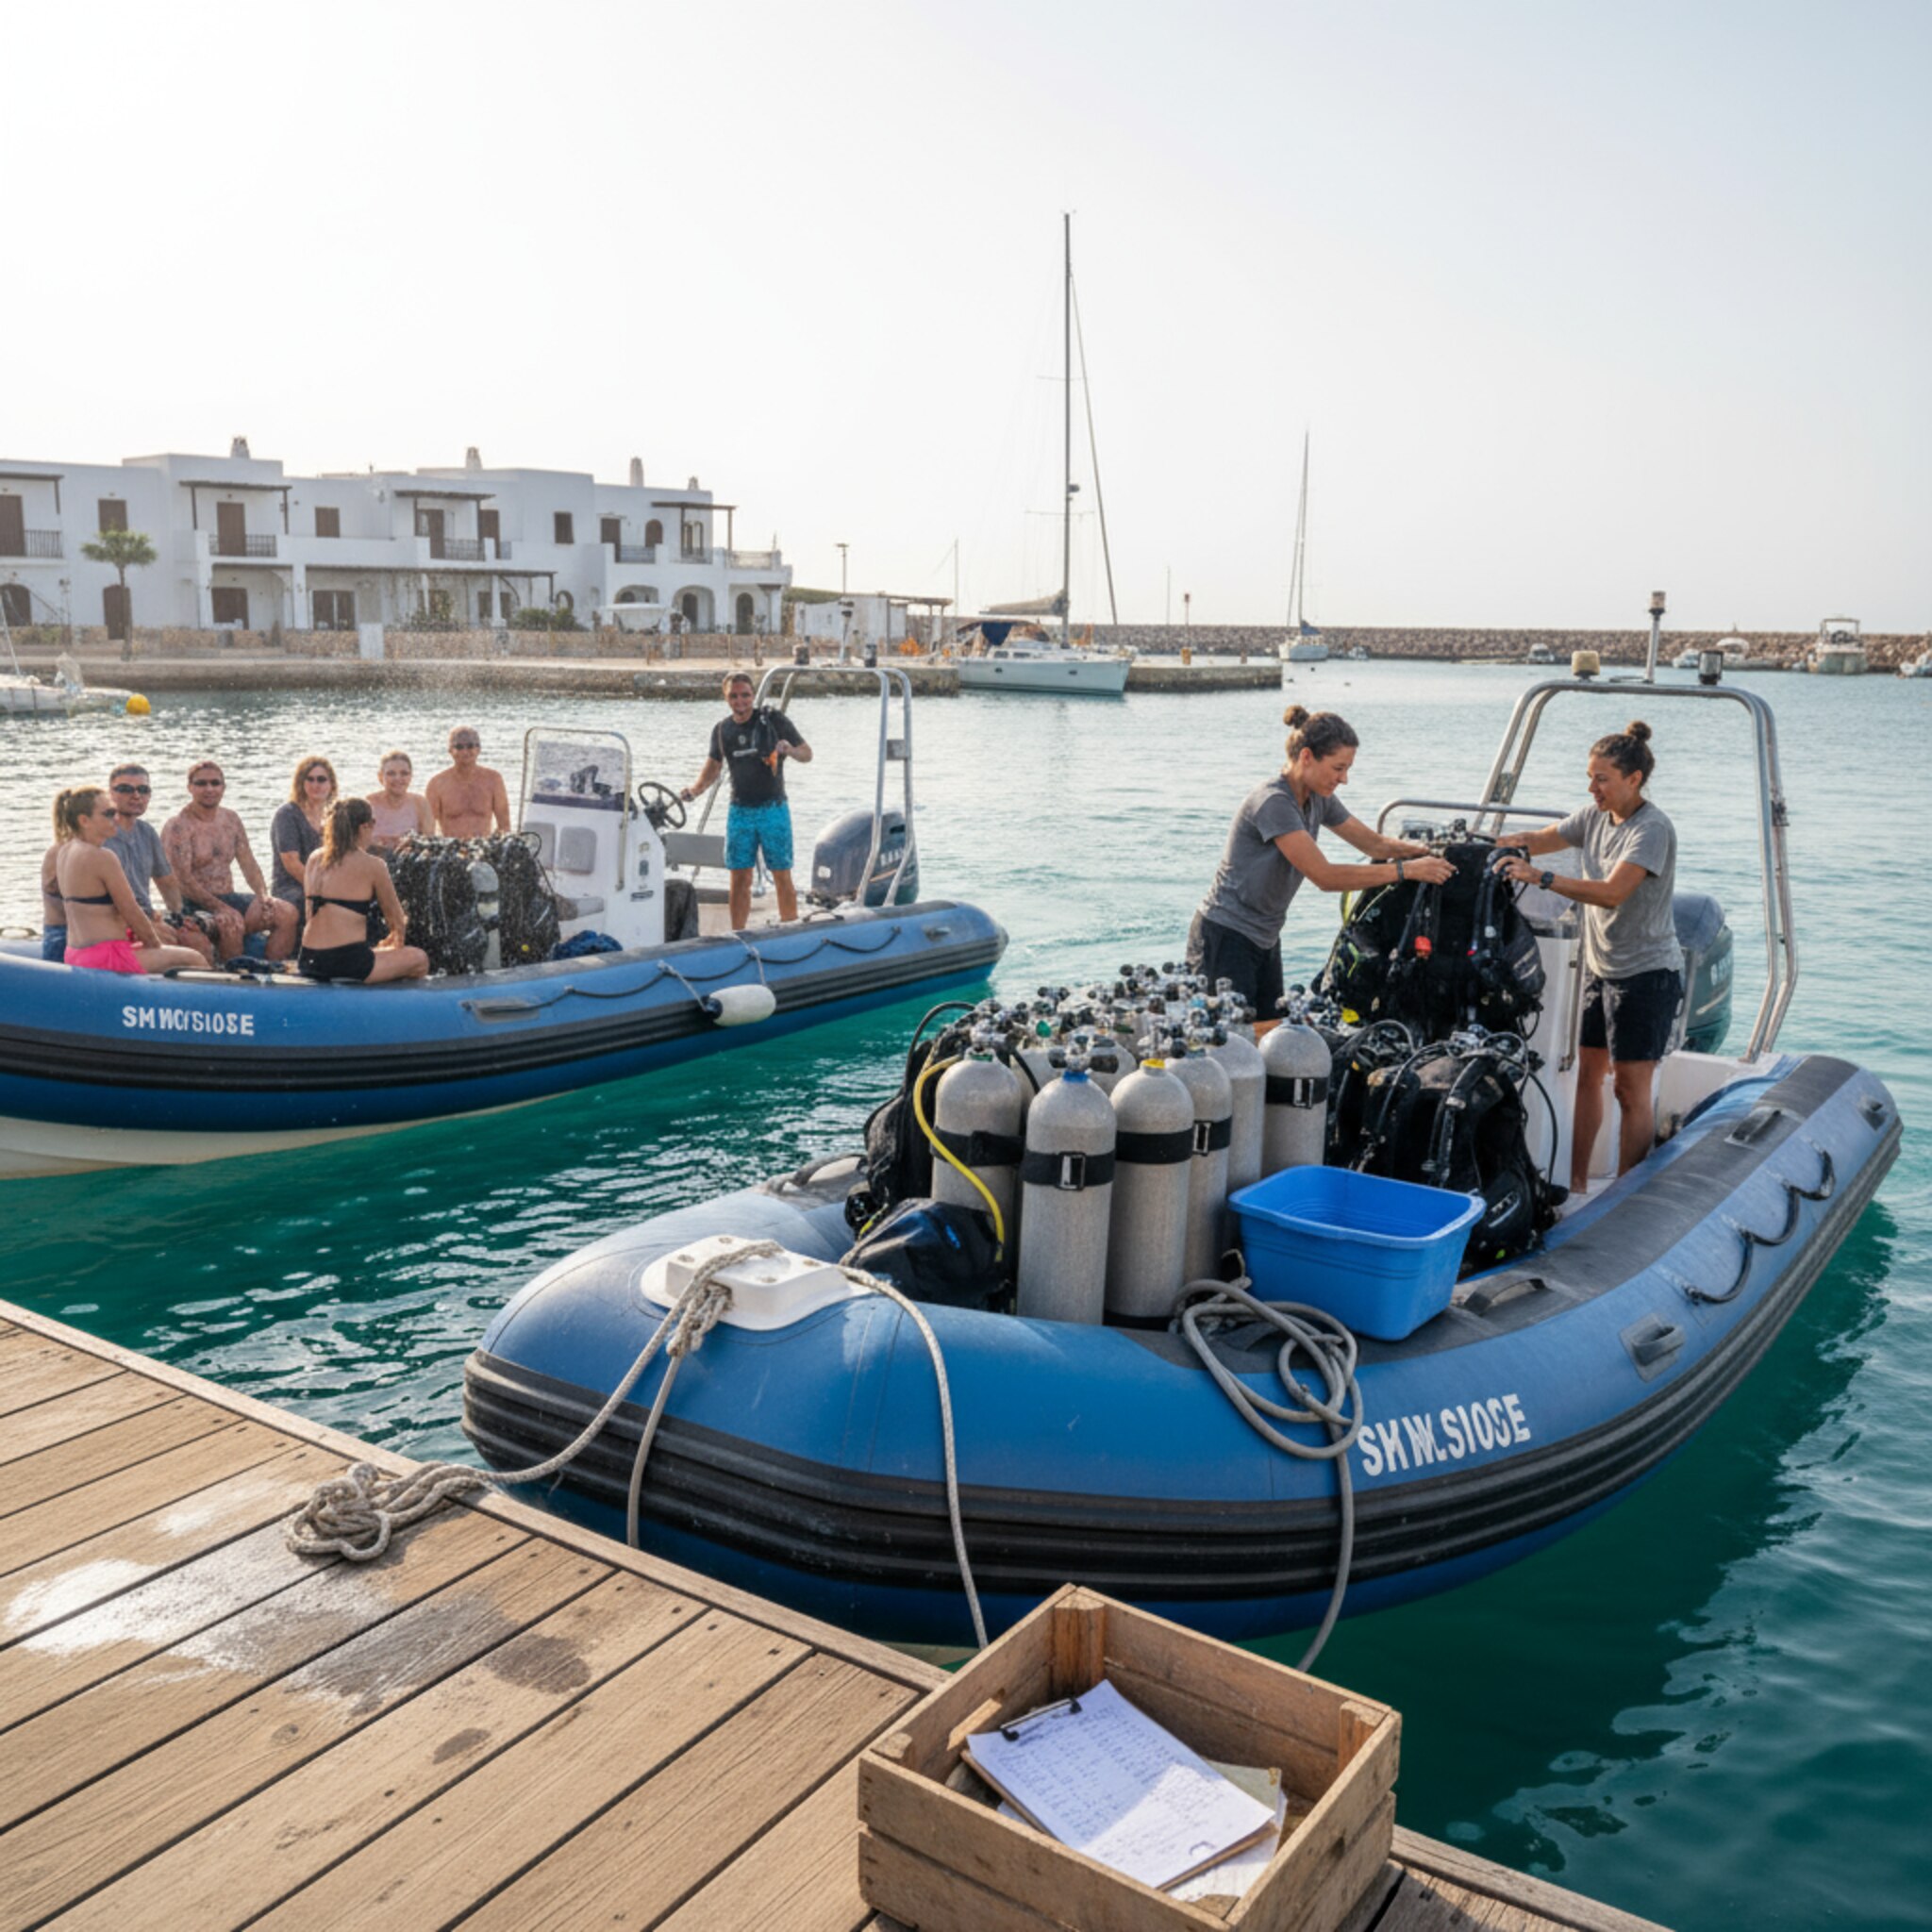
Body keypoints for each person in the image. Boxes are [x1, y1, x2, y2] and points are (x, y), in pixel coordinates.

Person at [1494, 721, 1683, 1187]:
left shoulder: (1652, 829)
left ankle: (1623, 1196)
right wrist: (1490, 845)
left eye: (1602, 779)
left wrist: (1541, 878)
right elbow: (1543, 839)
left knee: (1629, 1090)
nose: (1592, 788)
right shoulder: (1593, 816)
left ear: (1634, 779)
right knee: (1588, 1075)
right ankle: (1575, 1184)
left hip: (1646, 974)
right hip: (1600, 969)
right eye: (1589, 777)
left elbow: (1612, 893)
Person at [1188, 705, 1452, 1029]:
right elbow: (1324, 876)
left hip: (1266, 937)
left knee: (1271, 1037)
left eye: (1347, 769)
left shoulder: (1318, 797)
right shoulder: (1273, 802)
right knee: (1230, 1039)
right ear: (1307, 757)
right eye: (1338, 768)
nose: (1344, 779)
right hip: (1226, 935)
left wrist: (1427, 854)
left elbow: (1374, 845)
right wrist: (1406, 871)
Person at [680, 672, 813, 928]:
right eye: (734, 696)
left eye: (745, 695)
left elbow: (807, 754)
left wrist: (789, 750)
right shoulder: (722, 730)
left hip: (773, 809)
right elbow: (713, 768)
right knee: (740, 877)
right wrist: (694, 790)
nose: (740, 701)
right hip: (740, 812)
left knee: (781, 873)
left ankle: (790, 929)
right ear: (726, 698)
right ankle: (738, 933)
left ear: (753, 696)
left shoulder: (773, 720)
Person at [52, 788, 204, 975]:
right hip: (108, 957)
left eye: (115, 812)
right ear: (84, 820)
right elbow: (131, 910)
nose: (116, 818)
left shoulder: (66, 851)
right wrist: (155, 945)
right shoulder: (102, 857)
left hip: (76, 953)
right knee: (194, 958)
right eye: (108, 813)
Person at [161, 759, 298, 963]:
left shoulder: (231, 820)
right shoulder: (179, 826)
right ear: (190, 787)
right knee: (231, 924)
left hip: (229, 897)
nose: (209, 789)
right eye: (201, 783)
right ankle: (232, 974)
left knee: (287, 912)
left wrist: (263, 895)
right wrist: (220, 908)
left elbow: (248, 863)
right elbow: (182, 882)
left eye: (215, 783)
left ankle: (273, 969)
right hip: (192, 904)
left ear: (223, 787)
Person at [298, 797, 430, 984]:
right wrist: (395, 942)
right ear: (364, 827)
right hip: (347, 964)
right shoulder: (373, 865)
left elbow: (310, 915)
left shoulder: (314, 858)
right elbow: (397, 921)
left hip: (309, 960)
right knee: (419, 959)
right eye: (373, 823)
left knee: (377, 952)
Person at [105, 762, 216, 967]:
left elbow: (166, 881)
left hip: (146, 915)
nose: (136, 795)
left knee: (198, 941)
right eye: (126, 789)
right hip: (118, 921)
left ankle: (212, 985)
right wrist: (144, 925)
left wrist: (180, 918)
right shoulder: (101, 835)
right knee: (169, 942)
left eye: (143, 790)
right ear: (109, 793)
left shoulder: (146, 832)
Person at [269, 754, 338, 922]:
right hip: (291, 887)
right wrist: (319, 890)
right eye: (310, 779)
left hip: (326, 883)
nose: (316, 785)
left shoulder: (334, 815)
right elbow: (291, 863)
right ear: (301, 783)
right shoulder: (288, 814)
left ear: (331, 784)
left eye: (321, 779)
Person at [425, 726, 511, 838]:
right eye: (459, 747)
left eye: (470, 746)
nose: (465, 751)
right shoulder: (437, 784)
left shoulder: (494, 780)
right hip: (451, 846)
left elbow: (504, 825)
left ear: (478, 749)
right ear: (450, 750)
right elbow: (427, 829)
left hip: (484, 846)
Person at [366, 749, 433, 849]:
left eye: (404, 773)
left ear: (411, 776)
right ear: (380, 777)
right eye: (391, 773)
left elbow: (430, 844)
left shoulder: (420, 804)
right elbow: (356, 845)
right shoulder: (369, 805)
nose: (398, 778)